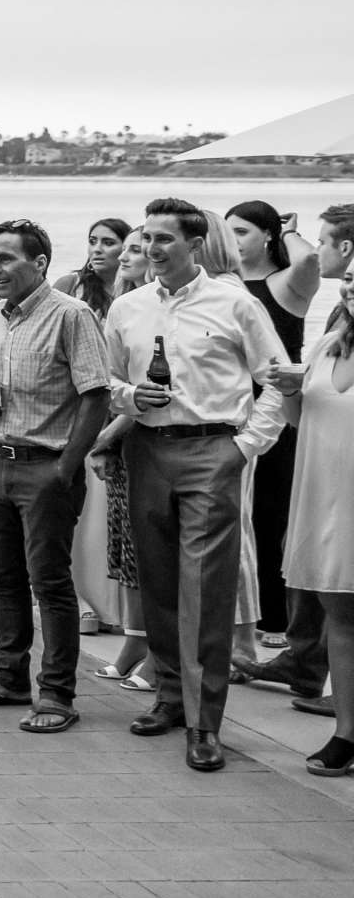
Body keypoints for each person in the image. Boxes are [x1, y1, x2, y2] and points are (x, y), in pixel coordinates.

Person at [100, 198, 290, 774]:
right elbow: (107, 382)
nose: (152, 250)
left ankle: (205, 723)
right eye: (147, 238)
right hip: (147, 446)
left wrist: (244, 447)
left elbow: (277, 381)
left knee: (206, 586)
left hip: (214, 447)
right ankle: (169, 699)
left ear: (193, 244)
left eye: (163, 240)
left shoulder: (235, 303)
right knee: (155, 579)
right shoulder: (127, 307)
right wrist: (132, 397)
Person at [0, 221, 109, 733]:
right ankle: (10, 677)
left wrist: (67, 466)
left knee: (50, 582)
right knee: (5, 577)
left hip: (45, 466)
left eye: (6, 259)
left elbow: (96, 395)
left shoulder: (72, 314)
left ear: (39, 263)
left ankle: (57, 694)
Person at [247, 202, 354, 716]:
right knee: (315, 568)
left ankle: (316, 670)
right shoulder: (338, 321)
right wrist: (293, 384)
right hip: (318, 457)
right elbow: (303, 406)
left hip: (337, 467)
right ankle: (308, 664)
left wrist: (285, 234)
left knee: (334, 576)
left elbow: (307, 262)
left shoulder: (296, 285)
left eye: (326, 239)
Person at [226, 200, 319, 642]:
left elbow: (311, 258)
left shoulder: (284, 284)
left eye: (242, 231)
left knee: (271, 515)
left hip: (278, 411)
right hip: (234, 409)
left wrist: (289, 231)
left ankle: (277, 621)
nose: (233, 240)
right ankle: (246, 612)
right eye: (229, 232)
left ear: (266, 235)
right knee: (239, 518)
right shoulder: (223, 286)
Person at [273, 267, 354, 776]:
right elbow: (303, 420)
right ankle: (347, 731)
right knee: (340, 616)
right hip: (327, 497)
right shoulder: (329, 343)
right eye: (349, 278)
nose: (349, 287)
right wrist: (287, 390)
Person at [55, 218, 133, 637]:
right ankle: (82, 599)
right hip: (79, 411)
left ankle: (115, 605)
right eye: (92, 241)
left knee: (109, 516)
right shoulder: (71, 285)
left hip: (119, 412)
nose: (97, 249)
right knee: (80, 514)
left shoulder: (133, 293)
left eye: (109, 242)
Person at [89, 228, 158, 690]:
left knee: (151, 556)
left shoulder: (157, 311)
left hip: (143, 440)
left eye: (136, 248)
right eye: (131, 246)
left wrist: (106, 436)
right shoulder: (123, 306)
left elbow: (155, 391)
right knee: (127, 556)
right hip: (122, 444)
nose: (131, 255)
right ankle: (136, 640)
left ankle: (160, 652)